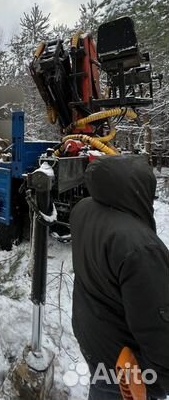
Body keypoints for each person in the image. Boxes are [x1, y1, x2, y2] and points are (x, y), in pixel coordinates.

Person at [70, 155, 169, 400]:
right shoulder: (139, 247)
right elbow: (157, 327)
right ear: (139, 190)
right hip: (130, 373)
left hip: (98, 345)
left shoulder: (83, 211)